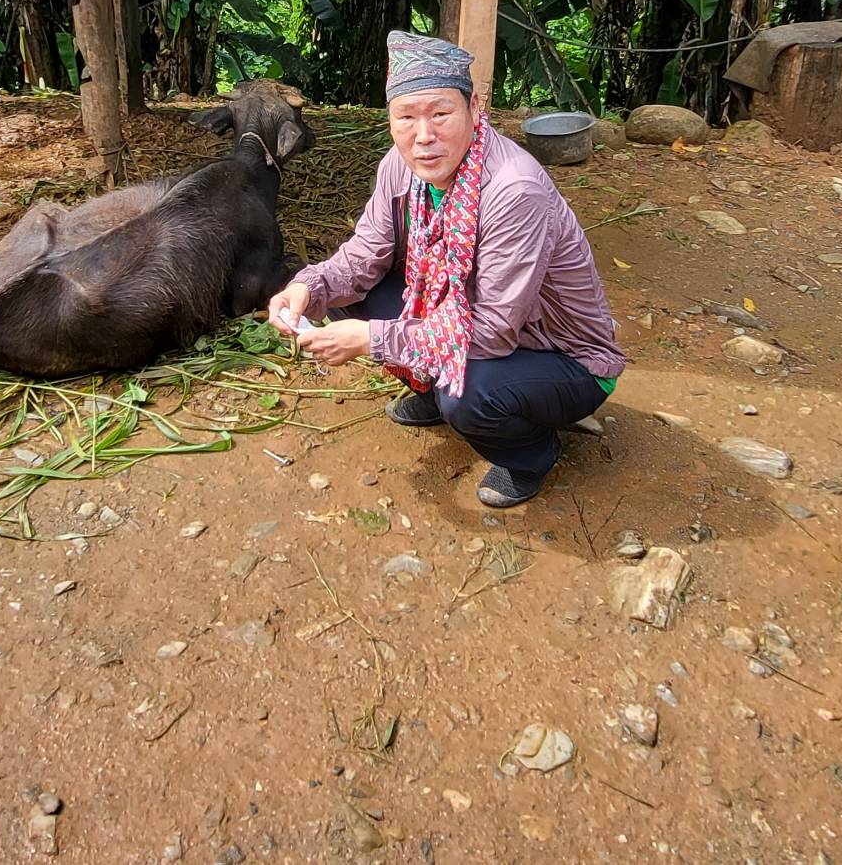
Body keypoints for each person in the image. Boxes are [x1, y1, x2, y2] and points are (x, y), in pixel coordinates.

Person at [268, 30, 625, 508]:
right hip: (469, 322)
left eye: (440, 114)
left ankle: (531, 454)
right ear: (390, 120)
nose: (423, 136)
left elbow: (494, 332)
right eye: (406, 117)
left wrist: (373, 339)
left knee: (469, 395)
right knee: (347, 295)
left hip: (560, 355)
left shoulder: (515, 190)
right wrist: (306, 288)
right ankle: (435, 392)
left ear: (475, 108)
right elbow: (361, 256)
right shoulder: (399, 166)